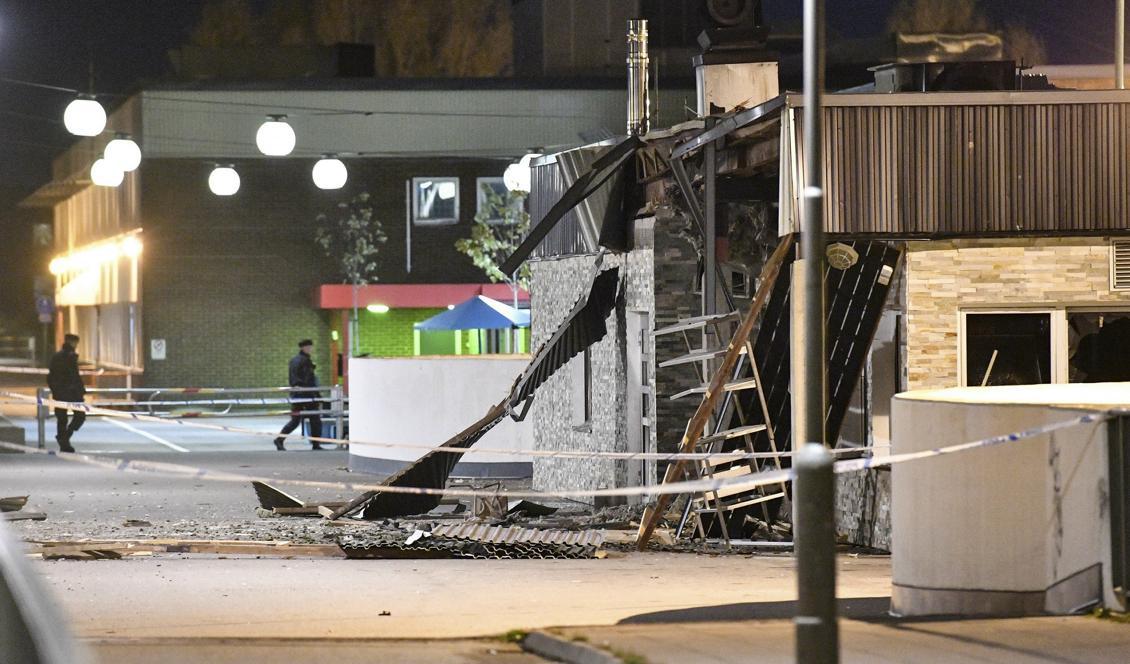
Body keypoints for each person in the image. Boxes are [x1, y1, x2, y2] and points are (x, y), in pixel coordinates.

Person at [273, 339, 323, 451]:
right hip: (305, 395)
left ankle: (280, 439)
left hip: (302, 394)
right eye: (309, 347)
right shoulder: (302, 361)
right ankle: (315, 444)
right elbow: (306, 380)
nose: (311, 349)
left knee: (300, 420)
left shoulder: (300, 360)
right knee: (313, 419)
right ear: (303, 348)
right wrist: (314, 393)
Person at [47, 333, 86, 453]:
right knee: (74, 416)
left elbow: (51, 376)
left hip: (64, 392)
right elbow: (71, 376)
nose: (76, 345)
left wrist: (55, 390)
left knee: (65, 418)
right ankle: (65, 439)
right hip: (69, 392)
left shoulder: (62, 356)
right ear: (71, 342)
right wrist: (79, 390)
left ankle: (64, 440)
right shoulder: (67, 357)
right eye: (75, 342)